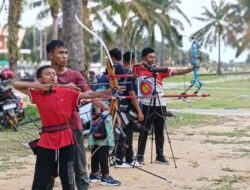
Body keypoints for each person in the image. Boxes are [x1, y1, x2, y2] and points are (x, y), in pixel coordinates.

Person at [13, 65, 112, 190]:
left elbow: (89, 95)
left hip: (66, 138)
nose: (53, 76)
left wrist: (107, 92)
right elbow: (16, 84)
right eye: (48, 74)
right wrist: (38, 86)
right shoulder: (37, 93)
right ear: (40, 79)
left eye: (54, 74)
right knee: (41, 177)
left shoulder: (68, 92)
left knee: (68, 176)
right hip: (46, 140)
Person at [46, 40, 108, 190]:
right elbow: (36, 90)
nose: (64, 56)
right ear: (50, 55)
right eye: (60, 53)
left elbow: (87, 94)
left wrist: (100, 103)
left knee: (79, 165)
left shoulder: (75, 74)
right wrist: (64, 87)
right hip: (51, 129)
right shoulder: (45, 74)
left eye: (66, 53)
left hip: (73, 126)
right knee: (49, 168)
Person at [133, 47, 196, 165]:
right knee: (144, 131)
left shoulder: (159, 70)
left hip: (160, 104)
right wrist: (142, 65)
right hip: (146, 104)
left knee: (160, 131)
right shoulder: (138, 69)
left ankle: (160, 156)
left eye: (154, 57)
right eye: (150, 57)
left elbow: (177, 71)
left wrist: (192, 68)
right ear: (144, 58)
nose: (153, 59)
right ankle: (140, 156)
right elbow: (129, 68)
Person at [115, 51, 144, 168]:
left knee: (128, 134)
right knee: (125, 134)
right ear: (133, 61)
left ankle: (129, 158)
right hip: (128, 110)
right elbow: (132, 93)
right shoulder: (129, 73)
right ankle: (119, 160)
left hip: (121, 108)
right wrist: (139, 111)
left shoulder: (120, 72)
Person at [88, 107, 121, 186]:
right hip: (101, 121)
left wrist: (117, 117)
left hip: (101, 119)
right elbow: (100, 103)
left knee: (97, 146)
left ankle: (94, 174)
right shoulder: (99, 96)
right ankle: (105, 176)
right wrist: (107, 108)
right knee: (102, 147)